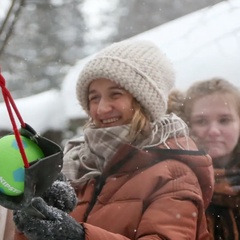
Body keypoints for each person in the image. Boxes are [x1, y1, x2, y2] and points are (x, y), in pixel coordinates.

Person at [13, 40, 214, 240]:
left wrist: (79, 237)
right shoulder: (75, 166)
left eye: (115, 94)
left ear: (144, 103)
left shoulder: (175, 175)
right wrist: (31, 218)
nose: (101, 109)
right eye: (94, 98)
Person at [168, 77, 240, 240]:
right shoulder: (173, 183)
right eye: (201, 121)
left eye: (224, 120)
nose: (214, 131)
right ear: (186, 125)